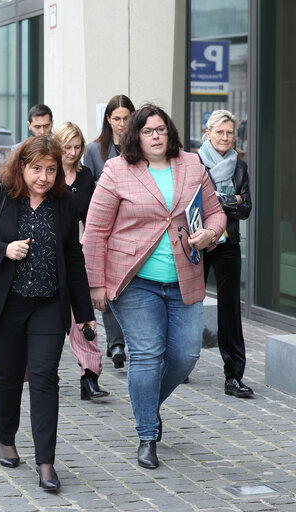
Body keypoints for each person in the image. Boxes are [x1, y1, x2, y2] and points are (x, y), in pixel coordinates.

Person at [83, 104, 227, 469]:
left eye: (161, 129)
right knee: (147, 354)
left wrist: (211, 232)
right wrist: (95, 285)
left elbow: (216, 211)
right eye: (147, 131)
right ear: (136, 135)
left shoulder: (192, 164)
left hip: (184, 278)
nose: (156, 136)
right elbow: (96, 232)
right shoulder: (117, 170)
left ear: (170, 132)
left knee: (185, 356)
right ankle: (147, 433)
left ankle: (147, 403)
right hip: (134, 281)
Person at [0, 135, 95, 491]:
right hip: (8, 304)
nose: (44, 177)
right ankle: (6, 437)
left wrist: (83, 313)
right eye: (36, 169)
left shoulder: (65, 203)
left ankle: (46, 462)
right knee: (9, 373)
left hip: (49, 304)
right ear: (22, 167)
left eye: (51, 170)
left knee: (45, 378)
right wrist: (3, 249)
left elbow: (74, 260)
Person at [197, 110, 253, 398]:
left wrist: (221, 202)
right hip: (199, 242)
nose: (225, 137)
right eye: (220, 132)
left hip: (228, 244)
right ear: (208, 133)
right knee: (189, 305)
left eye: (229, 132)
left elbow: (246, 209)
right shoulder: (195, 164)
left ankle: (234, 375)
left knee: (229, 310)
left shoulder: (240, 167)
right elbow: (195, 204)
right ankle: (180, 364)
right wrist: (232, 199)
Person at [54, 122, 108, 400]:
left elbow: (93, 214)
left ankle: (90, 375)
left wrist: (89, 233)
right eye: (67, 148)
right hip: (50, 254)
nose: (73, 153)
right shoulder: (47, 173)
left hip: (79, 254)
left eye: (77, 147)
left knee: (84, 316)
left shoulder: (86, 176)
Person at [83, 94, 136, 369]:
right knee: (109, 286)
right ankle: (116, 343)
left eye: (127, 118)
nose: (122, 124)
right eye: (116, 119)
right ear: (108, 120)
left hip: (132, 228)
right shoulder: (95, 151)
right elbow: (86, 191)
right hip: (106, 228)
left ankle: (133, 340)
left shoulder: (140, 148)